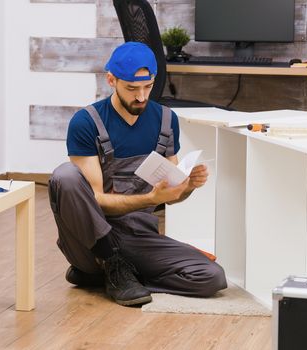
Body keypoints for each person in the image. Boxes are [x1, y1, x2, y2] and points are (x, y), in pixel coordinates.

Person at [48, 42, 227, 306]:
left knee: (211, 277)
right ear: (112, 80)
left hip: (138, 238)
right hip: (89, 239)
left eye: (148, 87)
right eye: (132, 88)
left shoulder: (166, 120)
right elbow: (94, 199)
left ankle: (108, 276)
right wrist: (147, 199)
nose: (142, 97)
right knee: (65, 176)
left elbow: (171, 195)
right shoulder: (86, 123)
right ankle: (109, 264)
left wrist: (186, 187)